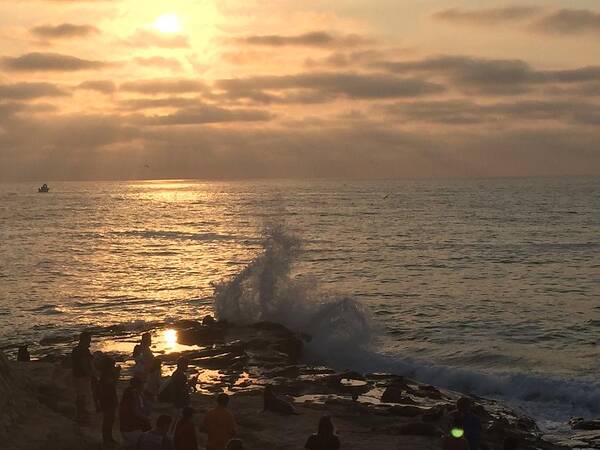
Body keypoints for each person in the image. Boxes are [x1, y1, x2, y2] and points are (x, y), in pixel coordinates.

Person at [120, 377, 152, 449]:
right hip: (131, 428)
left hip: (128, 427)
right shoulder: (132, 395)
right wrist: (146, 418)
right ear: (139, 386)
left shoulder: (135, 394)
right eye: (142, 384)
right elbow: (136, 412)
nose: (144, 386)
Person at [72, 331, 95, 424]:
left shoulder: (76, 350)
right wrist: (90, 375)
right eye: (89, 340)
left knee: (80, 395)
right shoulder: (83, 351)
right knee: (83, 396)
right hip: (82, 376)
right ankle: (81, 415)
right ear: (84, 340)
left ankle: (80, 413)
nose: (90, 341)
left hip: (76, 375)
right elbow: (84, 364)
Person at [98, 357, 120, 446]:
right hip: (108, 398)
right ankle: (106, 439)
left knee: (110, 419)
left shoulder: (105, 374)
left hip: (108, 398)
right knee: (108, 419)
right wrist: (117, 374)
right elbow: (113, 383)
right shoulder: (107, 374)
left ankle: (108, 438)